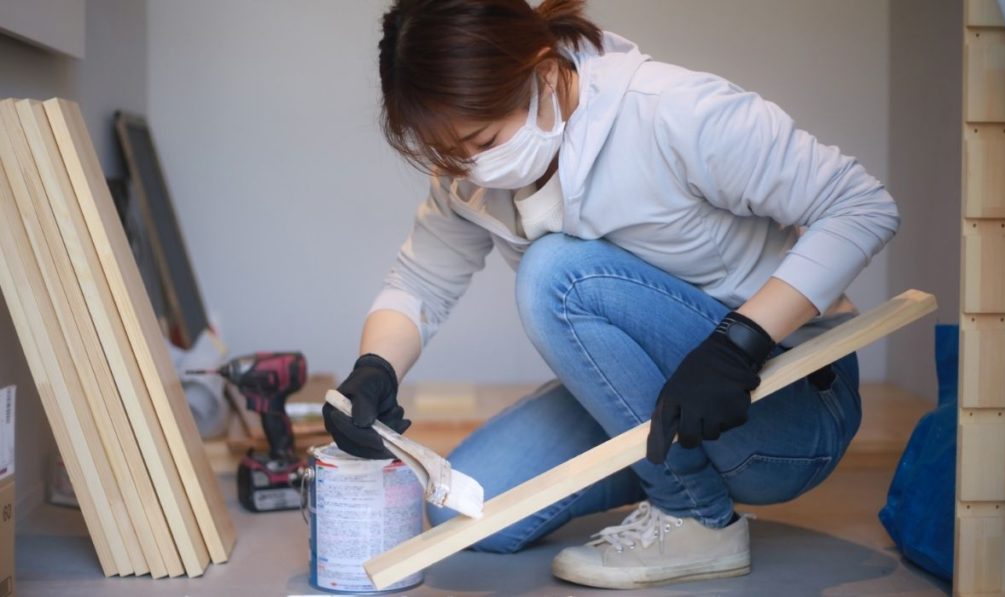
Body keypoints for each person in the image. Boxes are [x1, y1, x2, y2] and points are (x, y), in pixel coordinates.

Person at [322, 0, 899, 589]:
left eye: (483, 139)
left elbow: (861, 205)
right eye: (451, 153)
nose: (473, 168)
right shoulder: (467, 172)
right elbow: (419, 282)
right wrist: (374, 370)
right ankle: (667, 469)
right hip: (665, 402)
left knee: (557, 273)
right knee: (467, 511)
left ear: (544, 73)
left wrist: (740, 344)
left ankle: (695, 518)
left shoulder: (672, 111)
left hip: (783, 401)